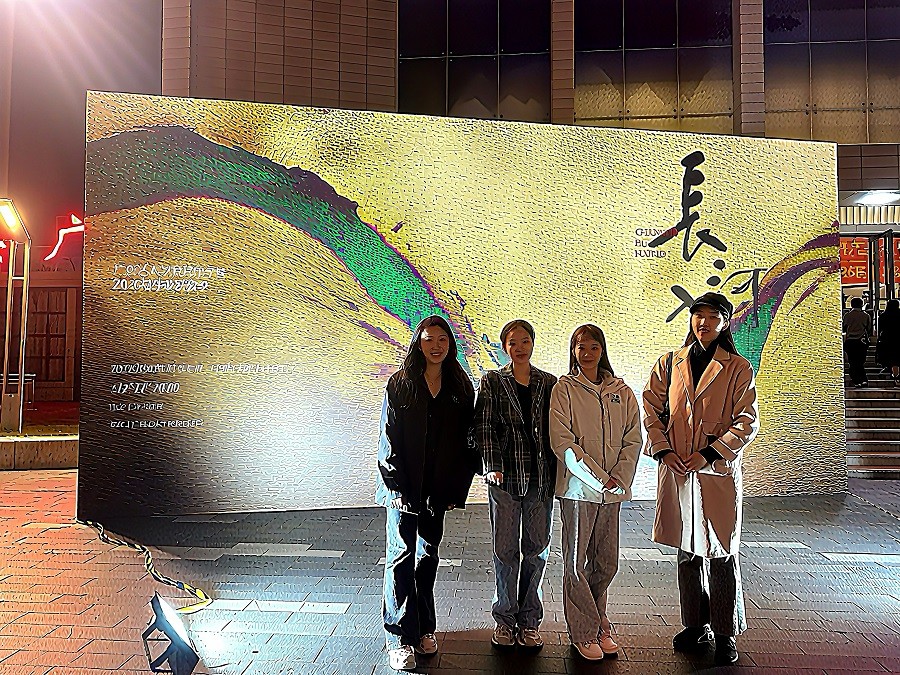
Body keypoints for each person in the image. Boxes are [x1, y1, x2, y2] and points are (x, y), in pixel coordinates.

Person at [642, 292, 759, 666]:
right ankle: (695, 625)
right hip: (678, 468)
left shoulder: (738, 368)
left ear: (725, 323)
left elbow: (747, 421)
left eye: (712, 316)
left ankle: (725, 632)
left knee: (722, 551)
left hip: (715, 472)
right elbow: (651, 407)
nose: (703, 322)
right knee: (687, 549)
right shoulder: (669, 362)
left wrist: (709, 454)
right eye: (698, 315)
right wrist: (664, 450)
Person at [376, 315, 479, 671]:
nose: (436, 346)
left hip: (437, 490)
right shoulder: (400, 383)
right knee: (401, 556)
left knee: (427, 556)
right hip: (402, 489)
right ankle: (398, 637)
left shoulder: (460, 386)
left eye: (442, 340)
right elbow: (388, 439)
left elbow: (467, 442)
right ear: (418, 343)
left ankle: (423, 628)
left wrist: (457, 487)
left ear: (450, 344)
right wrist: (395, 487)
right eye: (428, 339)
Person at [549, 324, 642, 661]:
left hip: (613, 491)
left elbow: (633, 438)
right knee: (575, 563)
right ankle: (585, 631)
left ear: (602, 350)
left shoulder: (622, 391)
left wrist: (619, 477)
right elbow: (562, 441)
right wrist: (598, 477)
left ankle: (598, 618)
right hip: (578, 490)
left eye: (593, 347)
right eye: (581, 347)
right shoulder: (564, 389)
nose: (587, 354)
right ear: (573, 351)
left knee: (606, 562)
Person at [475, 320, 557, 650]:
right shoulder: (493, 380)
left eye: (525, 341)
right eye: (513, 342)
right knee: (505, 550)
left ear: (533, 343)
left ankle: (530, 621)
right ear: (504, 346)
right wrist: (492, 466)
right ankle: (505, 620)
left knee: (537, 550)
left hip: (540, 478)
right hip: (504, 479)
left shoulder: (548, 382)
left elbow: (555, 429)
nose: (520, 347)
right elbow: (484, 427)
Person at [843, 296, 872, 387]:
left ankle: (857, 380)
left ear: (851, 305)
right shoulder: (866, 316)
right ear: (861, 304)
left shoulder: (847, 315)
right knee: (860, 362)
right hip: (861, 341)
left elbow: (844, 327)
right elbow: (869, 328)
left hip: (850, 341)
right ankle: (863, 379)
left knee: (852, 362)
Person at [877, 299, 900, 383]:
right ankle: (896, 375)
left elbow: (880, 328)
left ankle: (894, 374)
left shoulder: (884, 315)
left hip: (887, 339)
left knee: (891, 358)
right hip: (898, 338)